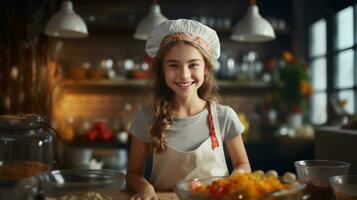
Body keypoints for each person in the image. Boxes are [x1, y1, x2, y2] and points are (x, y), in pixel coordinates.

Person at [126, 19, 251, 200]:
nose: (184, 74)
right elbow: (133, 173)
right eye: (173, 65)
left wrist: (232, 183)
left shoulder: (224, 116)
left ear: (206, 68)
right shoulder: (147, 117)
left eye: (193, 64)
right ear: (162, 70)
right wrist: (145, 188)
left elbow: (243, 164)